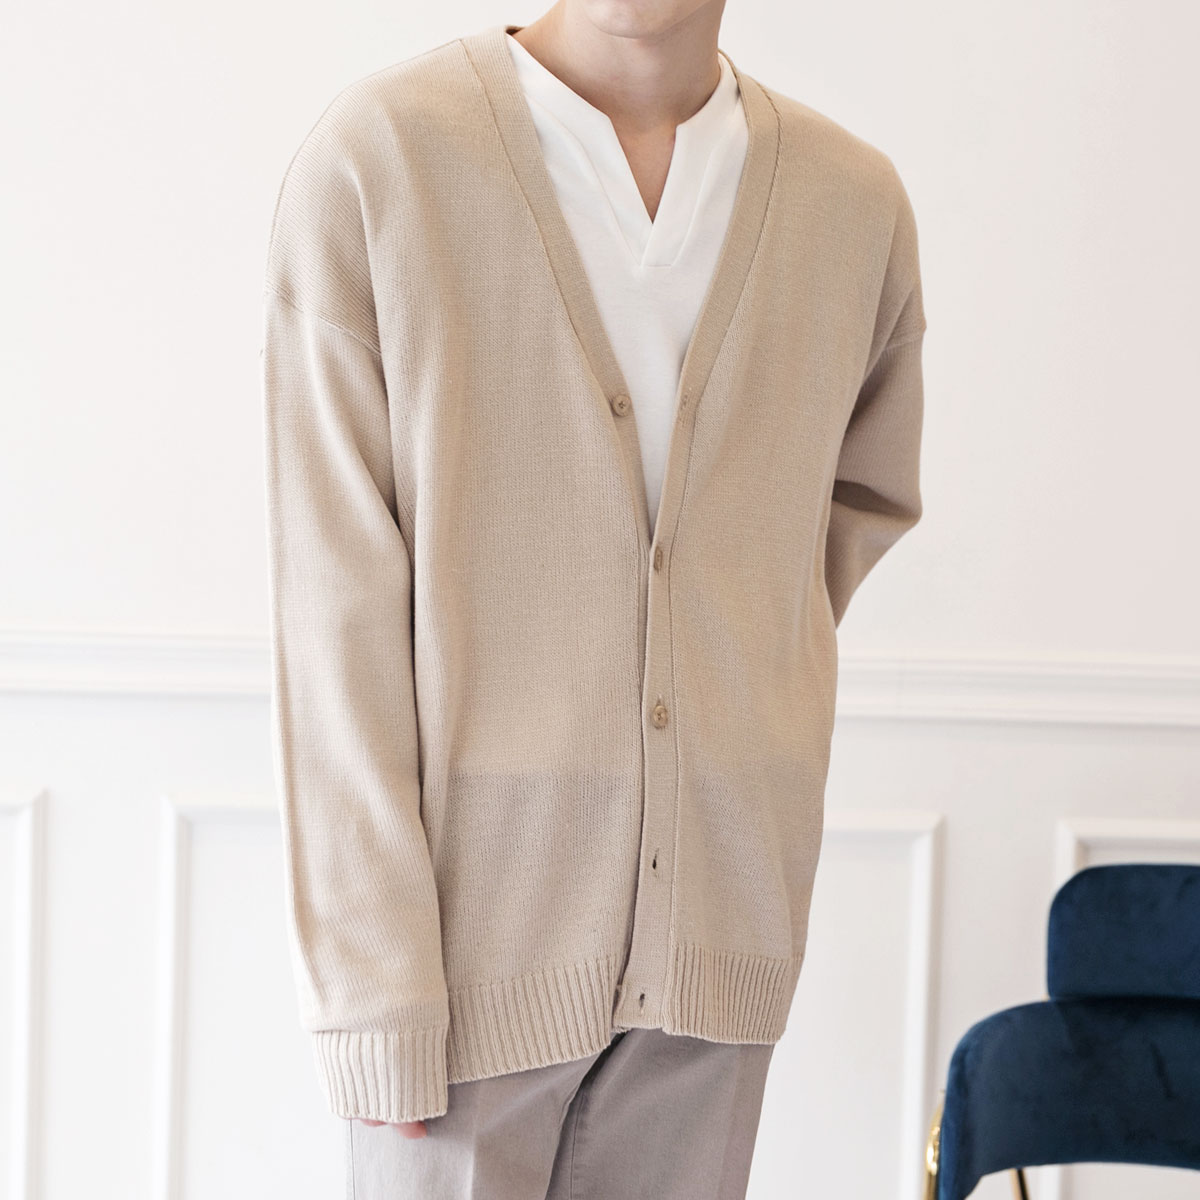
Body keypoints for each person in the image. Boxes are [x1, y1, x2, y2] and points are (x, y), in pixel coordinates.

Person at [260, 1, 926, 1196]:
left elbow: (846, 510)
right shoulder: (382, 158)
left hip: (719, 932)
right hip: (457, 956)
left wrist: (732, 712)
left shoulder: (851, 202)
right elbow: (332, 608)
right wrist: (375, 987)